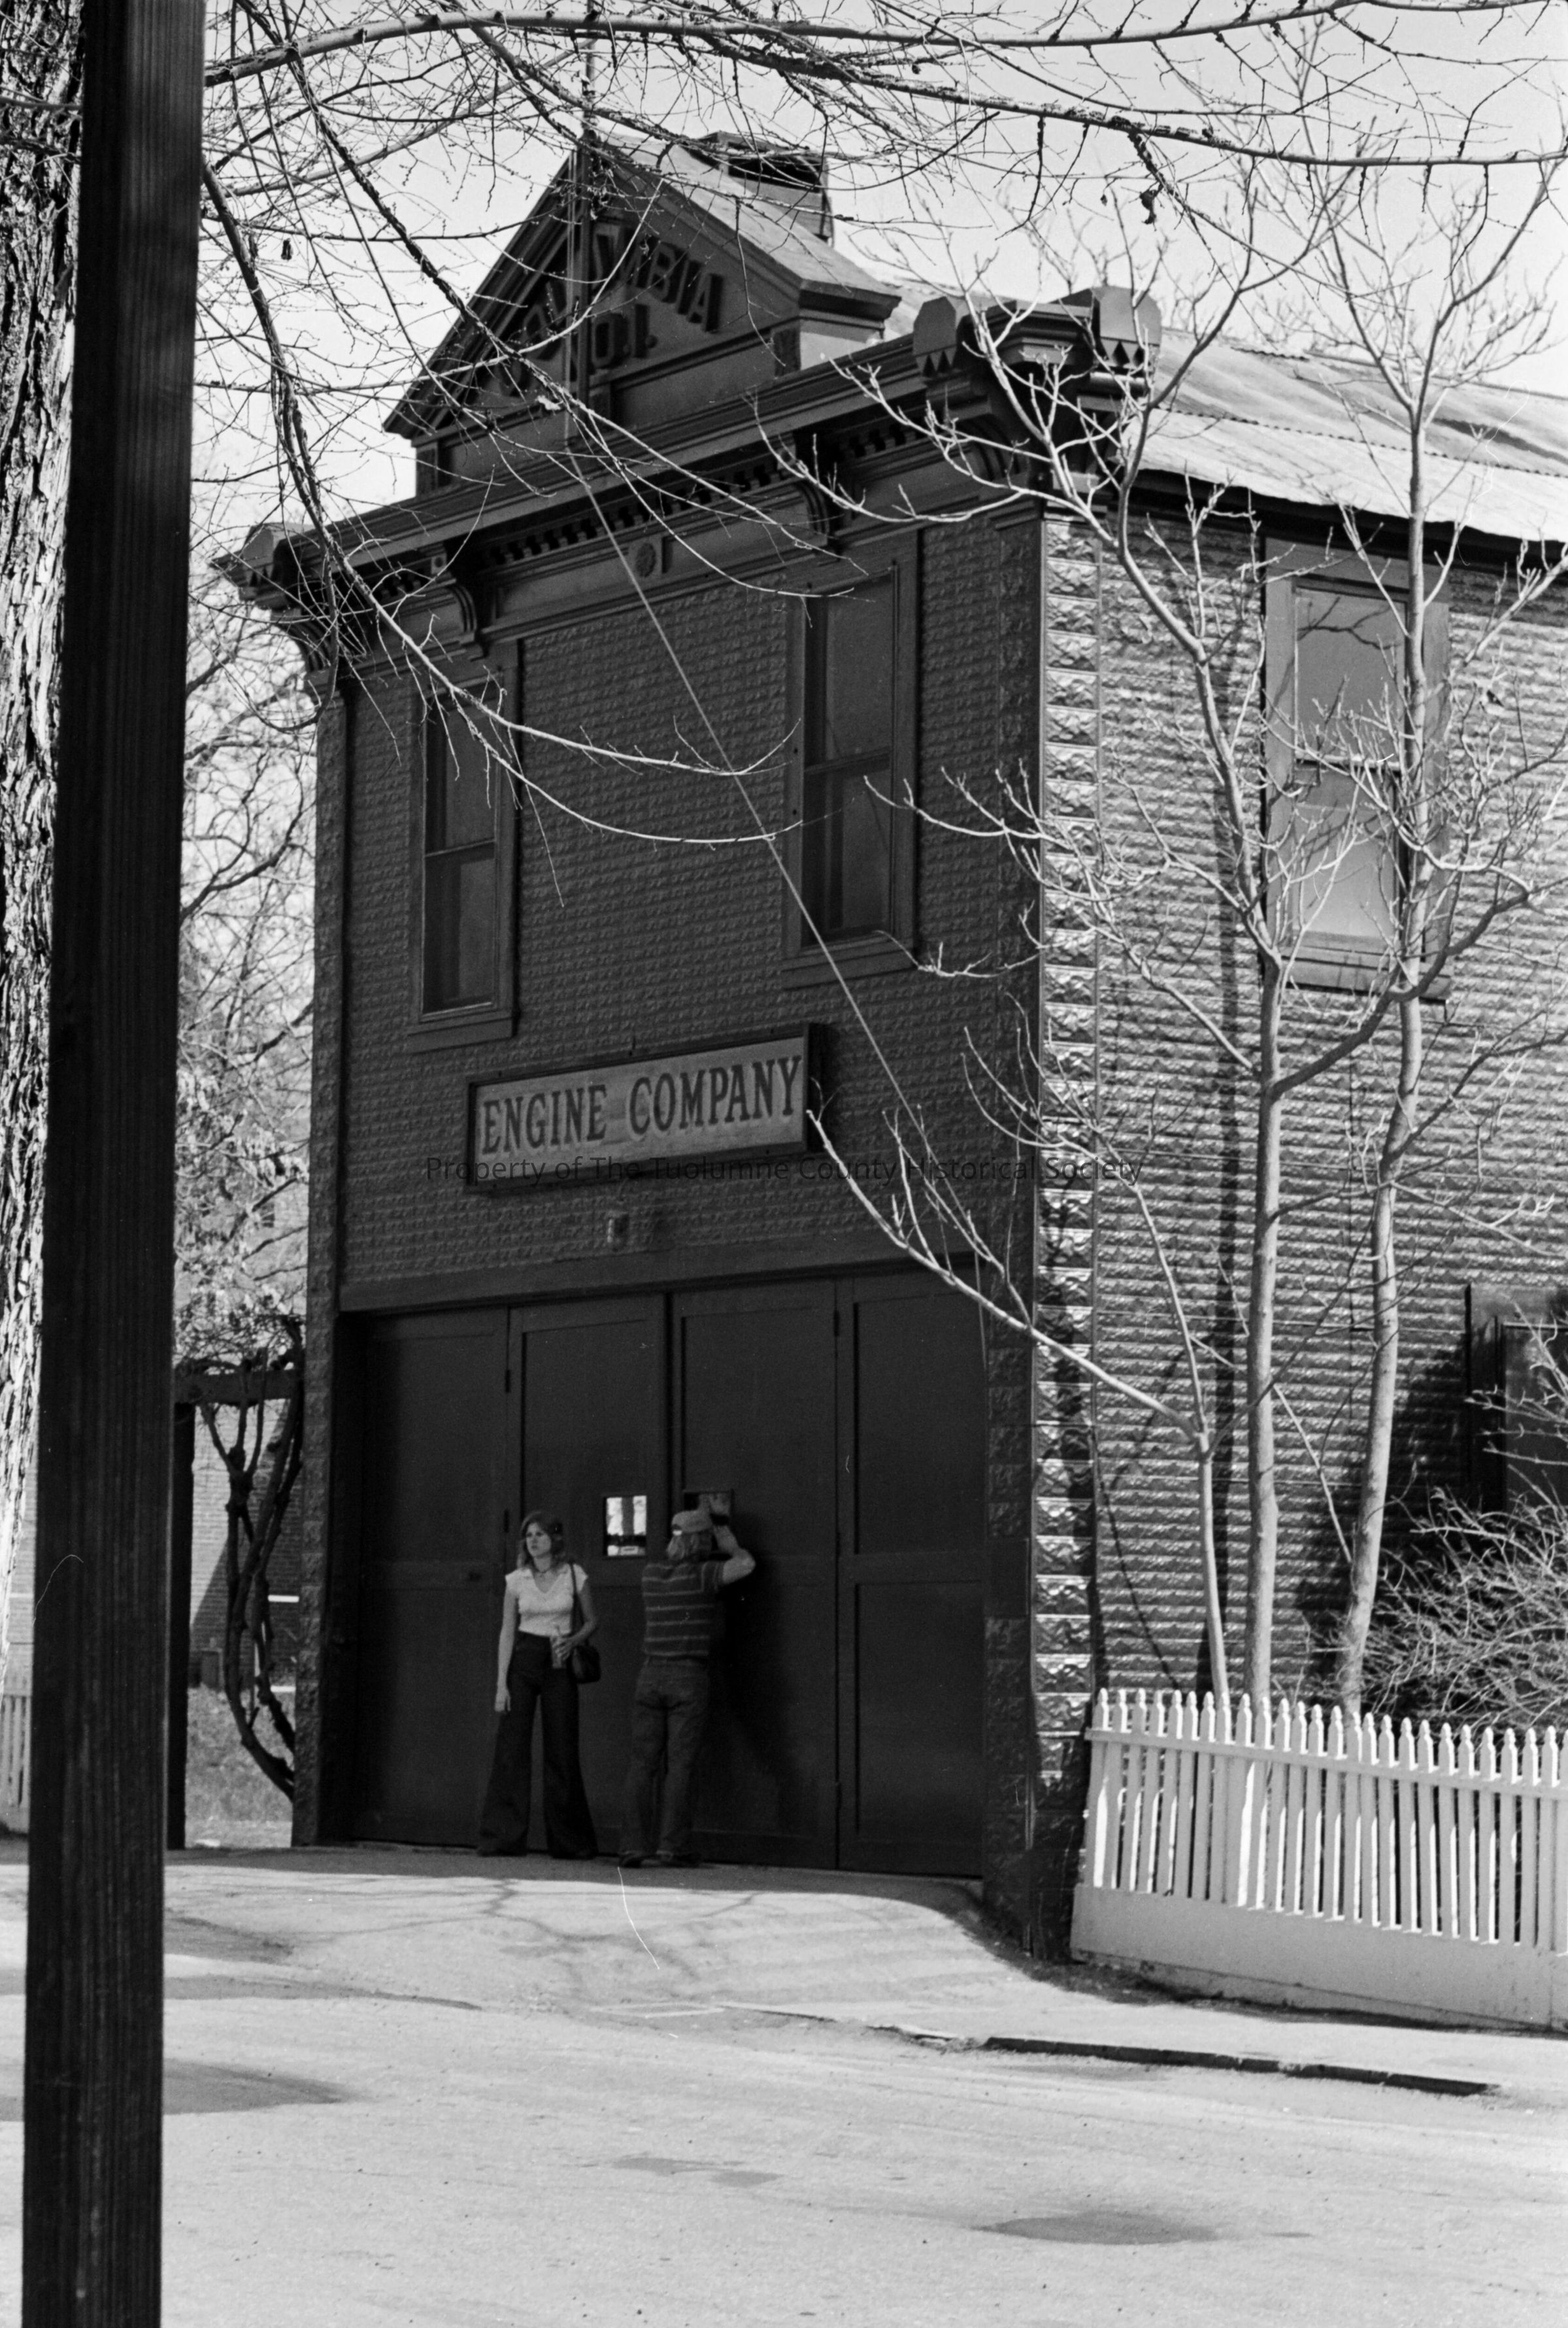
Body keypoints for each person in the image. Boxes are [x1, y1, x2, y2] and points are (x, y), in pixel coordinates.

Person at [617, 1506, 755, 1869]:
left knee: (642, 1764)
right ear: (702, 1541)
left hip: (650, 1675)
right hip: (687, 1676)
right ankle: (672, 1846)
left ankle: (633, 1846)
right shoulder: (703, 1575)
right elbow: (746, 1565)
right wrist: (730, 1544)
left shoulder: (650, 1574)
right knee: (680, 1765)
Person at [478, 1509, 599, 1858]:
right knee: (512, 1748)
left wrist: (574, 1641)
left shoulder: (574, 1574)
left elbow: (593, 1620)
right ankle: (502, 1838)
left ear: (554, 1539)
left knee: (562, 1748)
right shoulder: (516, 1580)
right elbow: (507, 1631)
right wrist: (501, 1685)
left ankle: (570, 1843)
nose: (533, 1540)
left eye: (540, 1534)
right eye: (529, 1535)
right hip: (525, 1658)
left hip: (559, 1658)